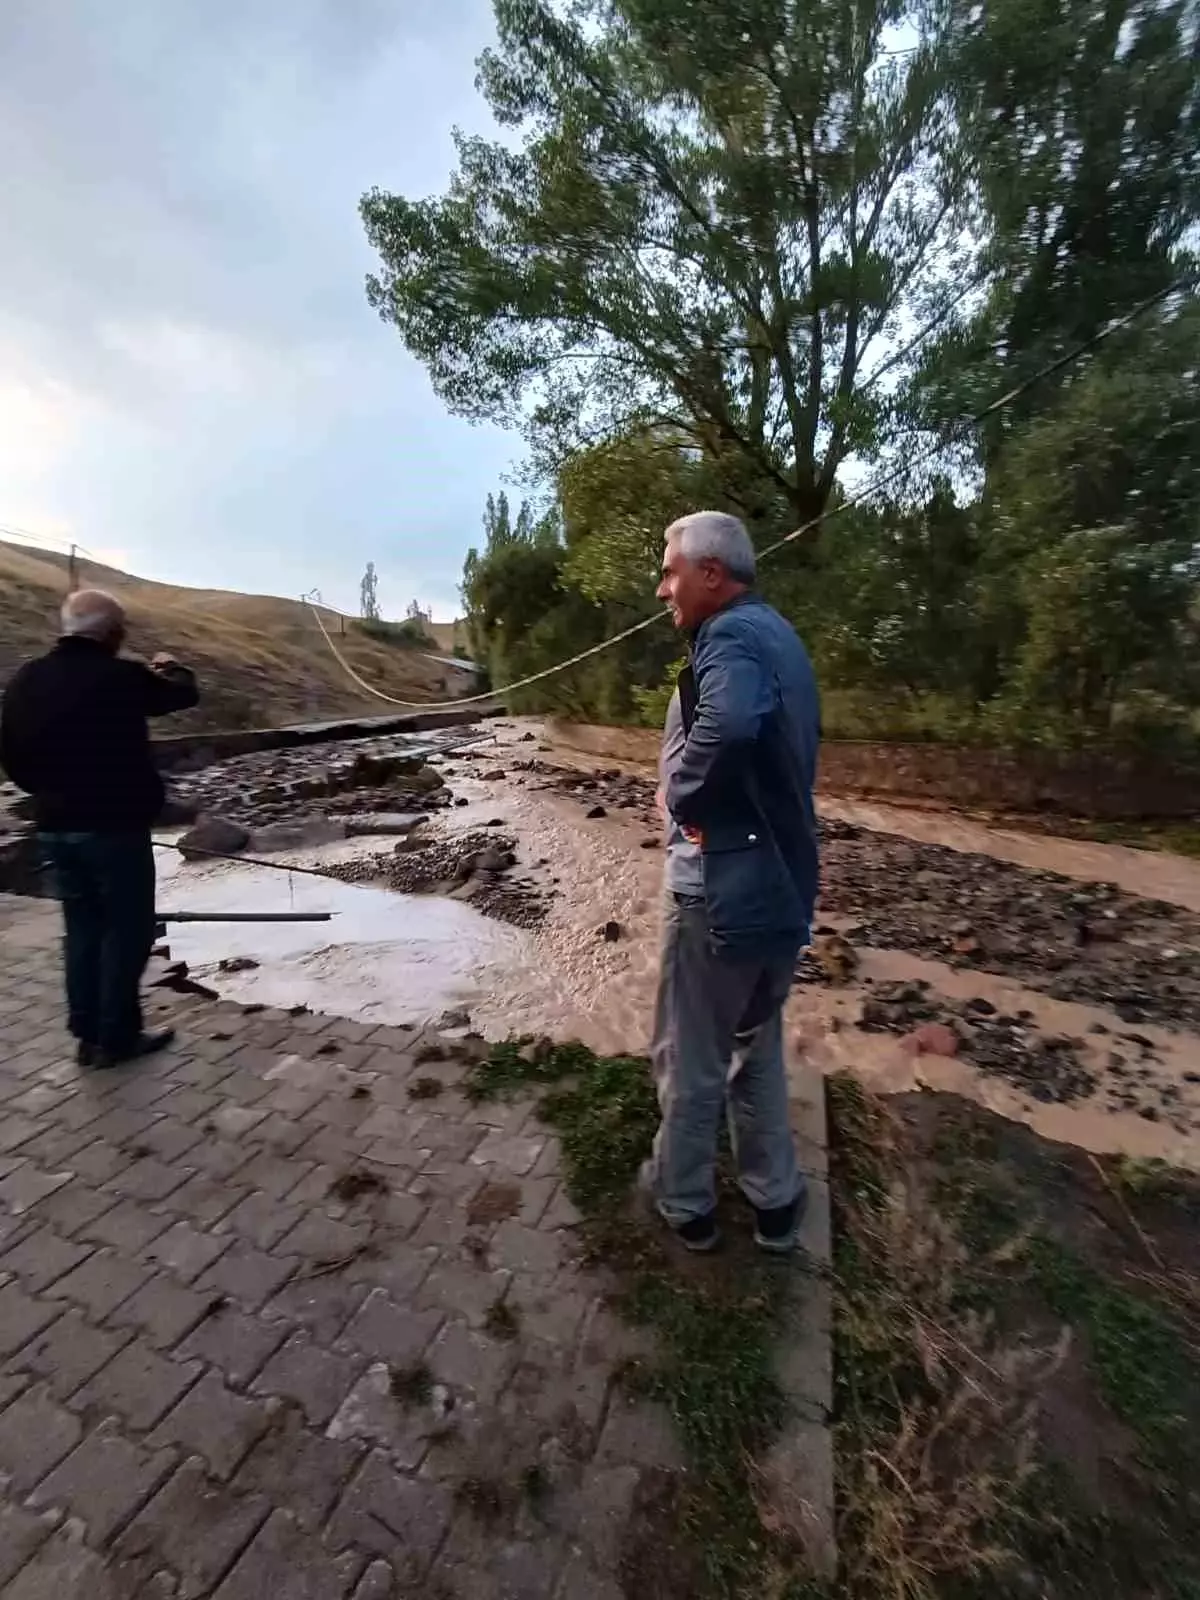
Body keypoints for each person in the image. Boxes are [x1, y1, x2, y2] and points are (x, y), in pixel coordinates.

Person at [644, 511, 820, 1253]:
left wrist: (679, 793)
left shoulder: (729, 638)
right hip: (781, 884)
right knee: (757, 1045)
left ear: (711, 573)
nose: (662, 589)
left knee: (691, 1055)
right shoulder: (779, 635)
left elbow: (735, 724)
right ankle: (775, 1203)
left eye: (670, 570)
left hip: (717, 893)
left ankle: (684, 1203)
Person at [0, 589, 200, 1068]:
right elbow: (183, 693)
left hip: (56, 827)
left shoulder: (28, 678)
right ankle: (118, 1038)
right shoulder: (121, 676)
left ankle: (88, 1035)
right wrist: (171, 666)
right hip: (114, 828)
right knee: (126, 933)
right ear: (113, 633)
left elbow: (11, 756)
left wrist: (48, 792)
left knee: (83, 930)